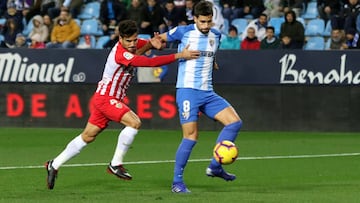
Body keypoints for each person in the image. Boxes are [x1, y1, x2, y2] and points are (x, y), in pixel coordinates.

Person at [44, 19, 200, 190]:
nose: (133, 44)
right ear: (120, 38)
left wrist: (153, 44)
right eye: (129, 41)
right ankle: (115, 164)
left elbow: (146, 46)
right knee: (134, 122)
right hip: (107, 98)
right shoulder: (120, 53)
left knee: (88, 136)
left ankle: (54, 164)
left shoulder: (133, 45)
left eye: (135, 40)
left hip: (104, 97)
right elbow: (148, 63)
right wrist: (179, 56)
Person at [157, 1, 242, 193]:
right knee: (191, 136)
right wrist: (147, 50)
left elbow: (210, 53)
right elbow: (158, 41)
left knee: (234, 122)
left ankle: (215, 166)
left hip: (208, 92)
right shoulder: (183, 31)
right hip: (188, 91)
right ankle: (177, 182)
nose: (205, 26)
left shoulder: (216, 35)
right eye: (202, 21)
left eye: (209, 22)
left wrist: (213, 62)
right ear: (194, 19)